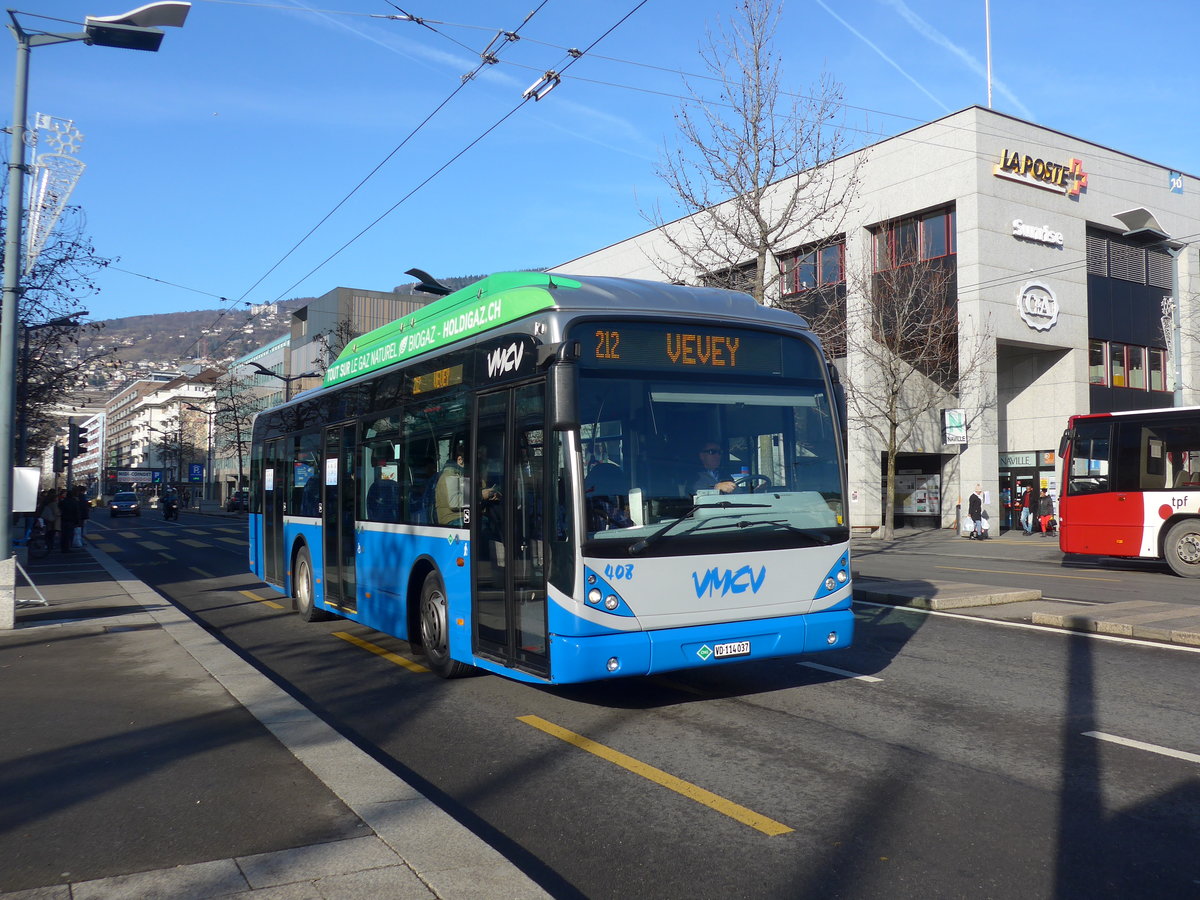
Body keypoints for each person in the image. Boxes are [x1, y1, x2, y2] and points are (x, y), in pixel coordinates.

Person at [59, 488, 82, 552]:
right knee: (69, 535)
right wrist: (77, 521)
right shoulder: (74, 502)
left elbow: (59, 509)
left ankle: (63, 547)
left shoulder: (63, 501)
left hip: (63, 519)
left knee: (63, 534)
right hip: (71, 520)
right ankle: (67, 547)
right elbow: (77, 512)